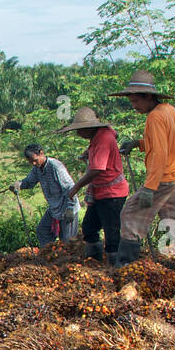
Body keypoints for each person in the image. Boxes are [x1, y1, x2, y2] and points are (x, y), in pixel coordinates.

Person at [111, 70, 175, 274]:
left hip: (164, 179)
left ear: (148, 97)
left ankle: (125, 267)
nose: (134, 106)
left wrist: (149, 187)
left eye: (136, 101)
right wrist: (138, 143)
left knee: (129, 213)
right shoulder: (169, 110)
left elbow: (159, 154)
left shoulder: (155, 117)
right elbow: (163, 142)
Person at [57, 107, 129, 266]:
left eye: (80, 130)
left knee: (111, 231)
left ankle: (114, 266)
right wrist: (89, 153)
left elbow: (97, 169)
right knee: (89, 228)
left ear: (89, 128)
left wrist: (76, 187)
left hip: (112, 193)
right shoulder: (101, 135)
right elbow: (106, 143)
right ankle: (94, 263)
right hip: (101, 192)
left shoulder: (103, 138)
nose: (78, 134)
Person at [11, 144, 79, 247]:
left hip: (67, 207)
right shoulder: (37, 168)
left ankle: (67, 262)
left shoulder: (55, 166)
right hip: (54, 208)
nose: (33, 163)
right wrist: (18, 184)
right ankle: (49, 256)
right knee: (43, 231)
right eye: (31, 162)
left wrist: (70, 208)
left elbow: (70, 188)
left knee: (67, 242)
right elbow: (29, 182)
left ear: (41, 153)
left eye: (35, 160)